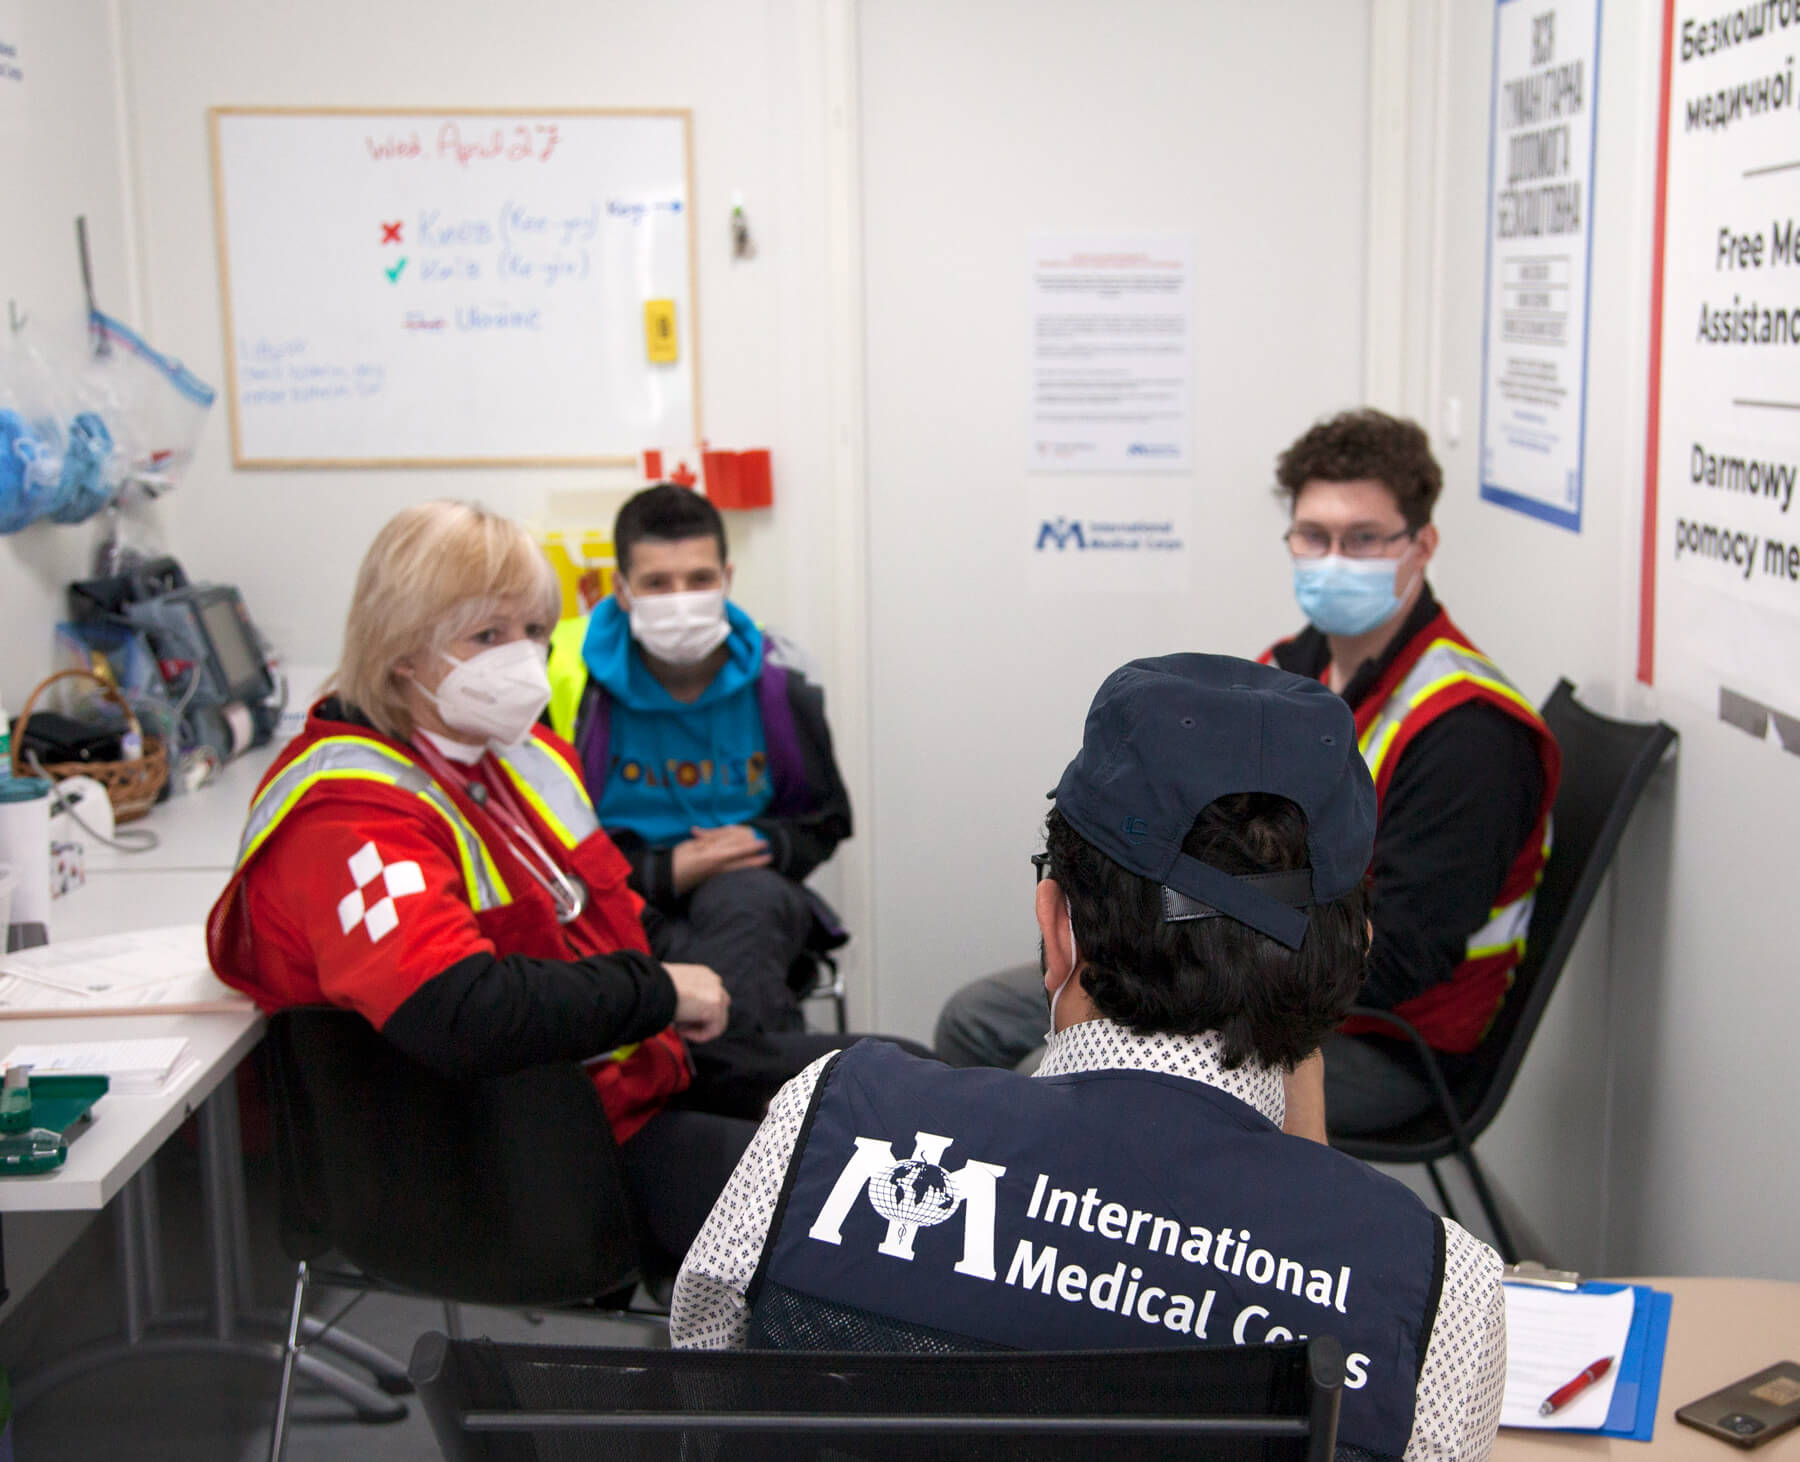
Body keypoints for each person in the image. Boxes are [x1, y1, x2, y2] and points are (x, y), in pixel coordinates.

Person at [673, 655, 1506, 1462]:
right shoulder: (1436, 1293)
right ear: (1351, 953)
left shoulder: (831, 1126)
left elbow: (707, 1402)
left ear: (1053, 923)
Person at [933, 409, 1560, 1136]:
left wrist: (1195, 984)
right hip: (1225, 965)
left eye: (1362, 539)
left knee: (1046, 1083)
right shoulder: (1291, 671)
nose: (1333, 558)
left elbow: (1401, 956)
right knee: (977, 1021)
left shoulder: (1469, 734)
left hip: (1377, 1037)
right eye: (1313, 536)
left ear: (1421, 545)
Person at [208, 500, 752, 1269]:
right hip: (511, 1161)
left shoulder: (522, 757)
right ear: (403, 650)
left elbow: (613, 916)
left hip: (624, 1082)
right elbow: (457, 1014)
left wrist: (690, 991)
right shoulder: (346, 818)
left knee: (875, 1076)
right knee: (842, 1200)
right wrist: (656, 991)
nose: (524, 659)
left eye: (534, 631)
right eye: (488, 635)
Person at [547, 482, 852, 1044]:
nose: (680, 599)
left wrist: (765, 843)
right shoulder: (563, 677)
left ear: (727, 580)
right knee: (660, 946)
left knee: (747, 908)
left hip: (747, 893)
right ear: (620, 589)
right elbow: (537, 847)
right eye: (657, 584)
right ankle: (766, 1098)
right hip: (614, 891)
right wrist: (662, 871)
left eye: (699, 580)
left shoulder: (780, 681)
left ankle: (708, 1084)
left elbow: (827, 820)